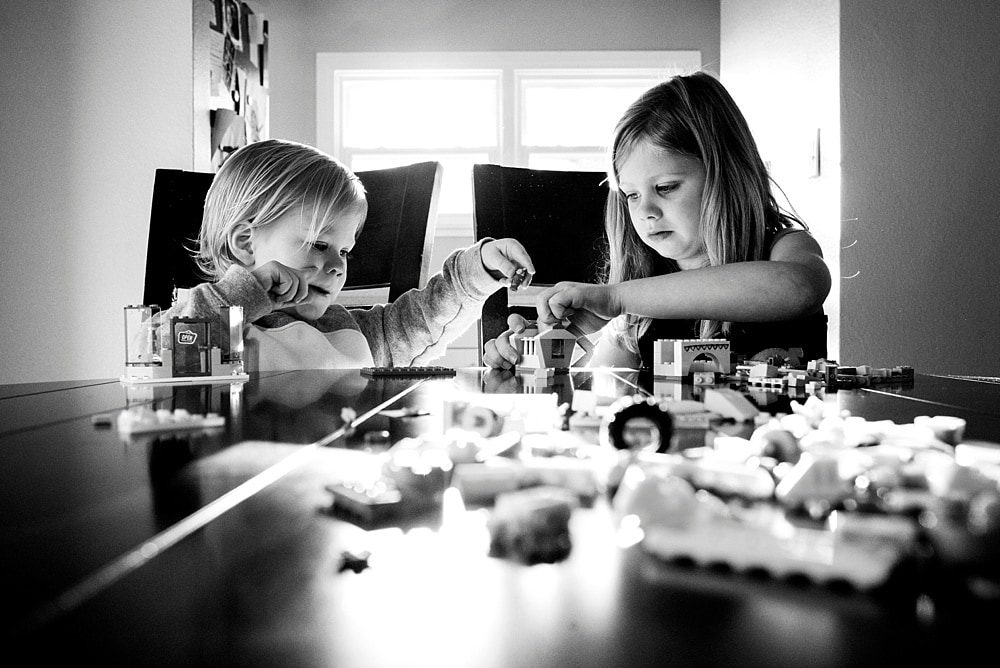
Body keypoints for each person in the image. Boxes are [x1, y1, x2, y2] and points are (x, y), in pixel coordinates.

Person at [483, 71, 831, 370]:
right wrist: (541, 352)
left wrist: (618, 298)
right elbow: (606, 392)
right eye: (631, 195)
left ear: (727, 174)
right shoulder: (642, 294)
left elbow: (798, 289)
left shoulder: (785, 247)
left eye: (665, 187)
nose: (645, 211)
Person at [150, 138, 534, 371]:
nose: (336, 267)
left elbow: (423, 318)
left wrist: (476, 270)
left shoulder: (349, 332)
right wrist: (244, 294)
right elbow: (159, 361)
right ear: (246, 243)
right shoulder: (216, 321)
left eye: (345, 251)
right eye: (319, 244)